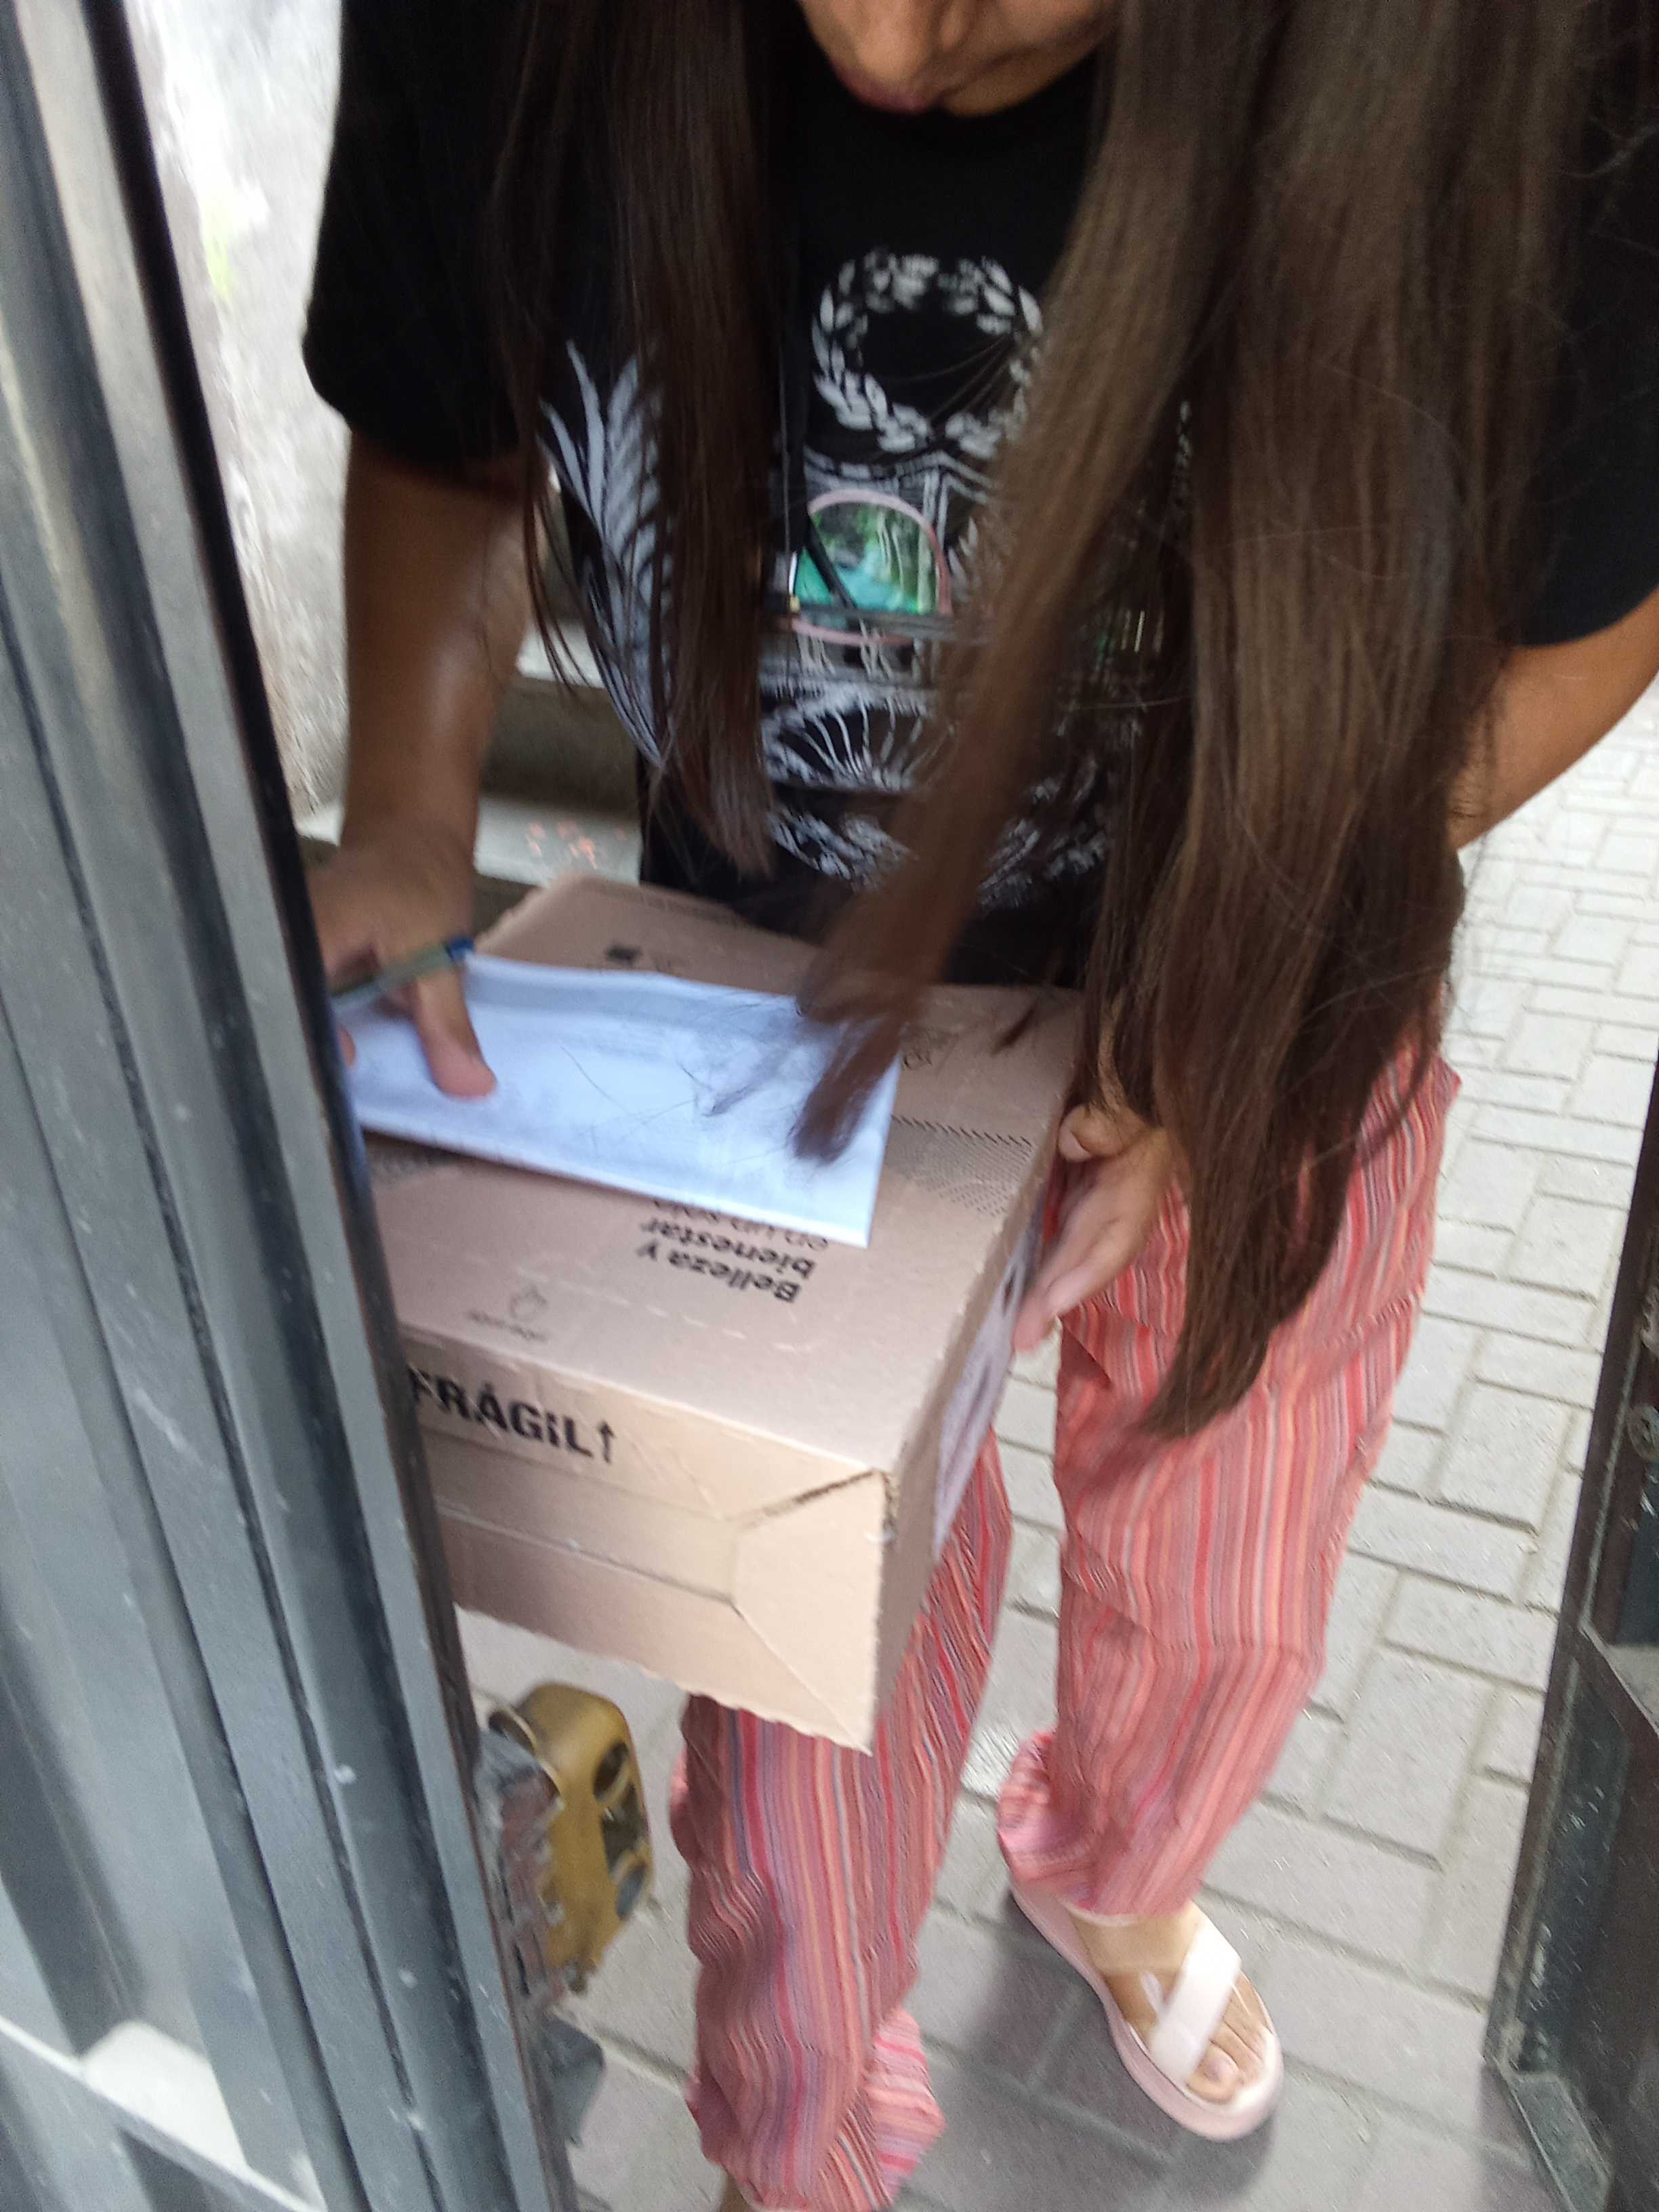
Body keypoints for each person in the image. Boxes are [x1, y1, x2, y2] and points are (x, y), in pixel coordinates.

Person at [302, 3, 1659, 2205]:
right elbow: (446, 407)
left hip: (1266, 991)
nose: (888, 38)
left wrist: (1241, 945)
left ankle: (1116, 1864)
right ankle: (800, 2137)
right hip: (785, 1001)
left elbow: (1582, 611)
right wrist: (400, 818)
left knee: (1227, 1564)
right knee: (797, 1685)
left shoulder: (1544, 67)